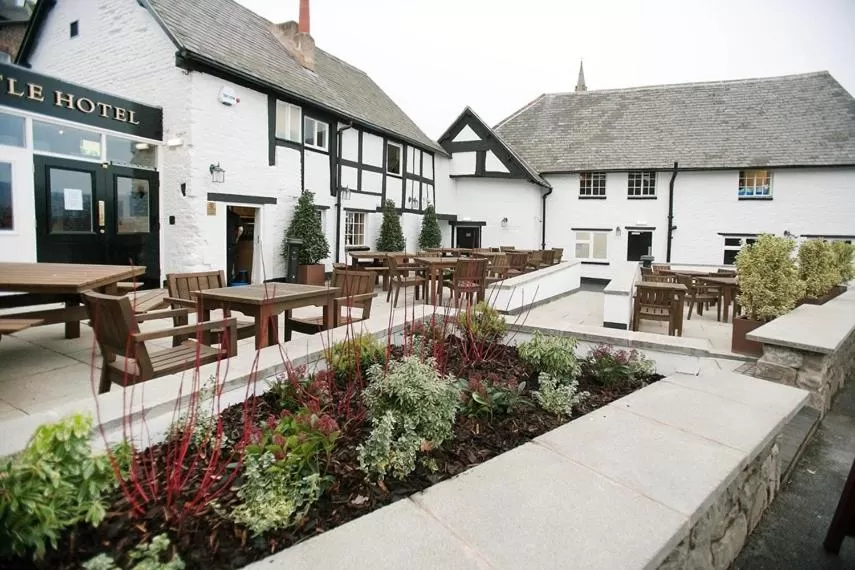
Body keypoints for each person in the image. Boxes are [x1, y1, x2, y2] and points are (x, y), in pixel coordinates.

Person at [226, 208, 244, 284]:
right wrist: (237, 238)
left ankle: (224, 280)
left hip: (222, 241)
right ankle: (228, 281)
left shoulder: (220, 213)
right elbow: (241, 229)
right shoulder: (235, 215)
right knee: (230, 261)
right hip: (231, 241)